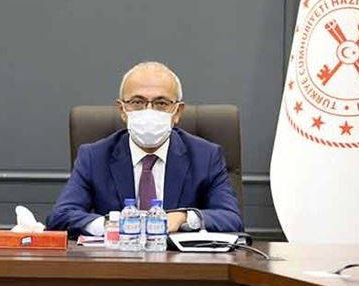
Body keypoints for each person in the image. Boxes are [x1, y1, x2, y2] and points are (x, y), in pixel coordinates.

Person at [46, 62, 243, 237]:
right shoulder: (94, 157)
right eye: (137, 102)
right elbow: (60, 217)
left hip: (179, 262)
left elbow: (231, 218)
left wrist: (184, 217)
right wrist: (111, 224)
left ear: (177, 112)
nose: (149, 111)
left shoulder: (206, 156)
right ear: (122, 110)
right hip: (117, 262)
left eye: (161, 103)